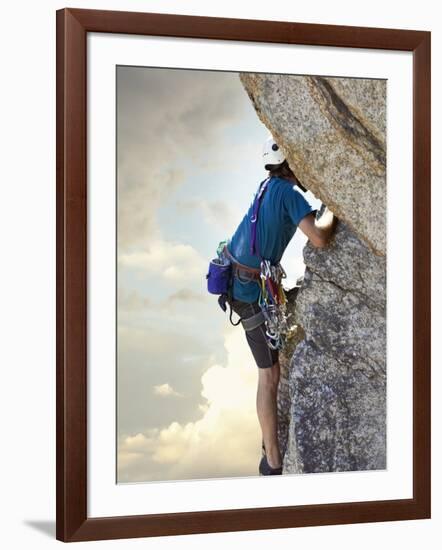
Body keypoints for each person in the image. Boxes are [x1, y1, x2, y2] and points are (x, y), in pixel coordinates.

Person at [225, 135, 338, 475]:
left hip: (240, 281)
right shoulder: (289, 194)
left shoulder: (266, 186)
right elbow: (319, 238)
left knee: (270, 372)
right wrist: (333, 207)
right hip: (248, 291)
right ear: (290, 163)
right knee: (269, 375)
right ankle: (273, 460)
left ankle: (269, 450)